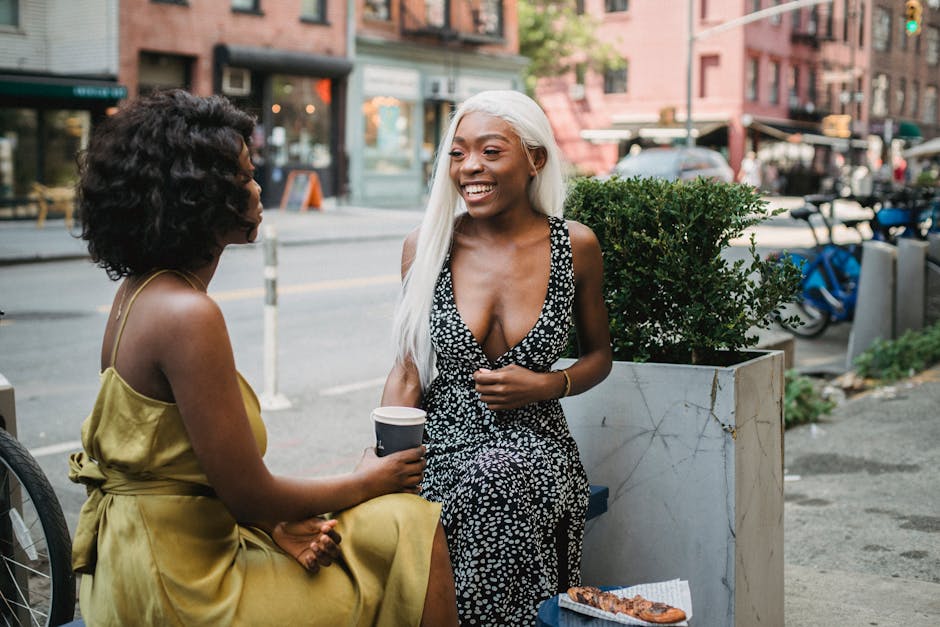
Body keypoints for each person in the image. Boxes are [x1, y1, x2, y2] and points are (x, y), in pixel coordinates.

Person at [70, 89, 458, 627]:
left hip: (135, 561)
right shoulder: (187, 315)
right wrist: (370, 478)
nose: (258, 188)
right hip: (181, 587)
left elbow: (182, 467)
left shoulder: (140, 292)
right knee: (412, 523)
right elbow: (251, 494)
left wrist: (281, 525)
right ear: (200, 196)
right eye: (246, 176)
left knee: (389, 528)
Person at [381, 90, 613, 626]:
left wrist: (545, 385)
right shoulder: (428, 244)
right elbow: (408, 370)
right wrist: (384, 457)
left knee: (501, 478)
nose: (470, 168)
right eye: (457, 153)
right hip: (444, 444)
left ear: (535, 160)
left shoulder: (575, 246)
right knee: (484, 483)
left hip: (539, 444)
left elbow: (600, 356)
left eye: (490, 151)